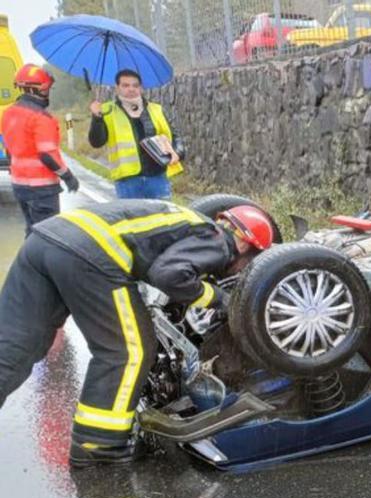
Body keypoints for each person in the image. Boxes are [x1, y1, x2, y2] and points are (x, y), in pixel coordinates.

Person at [0, 199, 275, 467]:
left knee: (17, 345)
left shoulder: (192, 222)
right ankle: (98, 445)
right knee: (129, 350)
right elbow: (168, 275)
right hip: (89, 254)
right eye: (250, 262)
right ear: (244, 243)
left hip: (47, 238)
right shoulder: (220, 242)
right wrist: (220, 299)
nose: (245, 270)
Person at [0, 64, 80, 233]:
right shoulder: (42, 118)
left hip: (19, 185)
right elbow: (47, 155)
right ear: (34, 90)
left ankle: (27, 260)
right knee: (48, 236)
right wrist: (68, 176)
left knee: (32, 231)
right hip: (42, 188)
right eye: (46, 89)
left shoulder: (8, 113)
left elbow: (9, 148)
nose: (48, 93)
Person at [88, 69, 182, 199]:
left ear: (141, 88)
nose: (131, 89)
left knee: (163, 218)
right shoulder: (106, 111)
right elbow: (96, 142)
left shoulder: (156, 109)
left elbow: (175, 136)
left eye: (135, 85)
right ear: (117, 88)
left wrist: (178, 152)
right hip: (128, 182)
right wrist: (97, 117)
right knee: (133, 219)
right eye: (125, 85)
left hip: (157, 178)